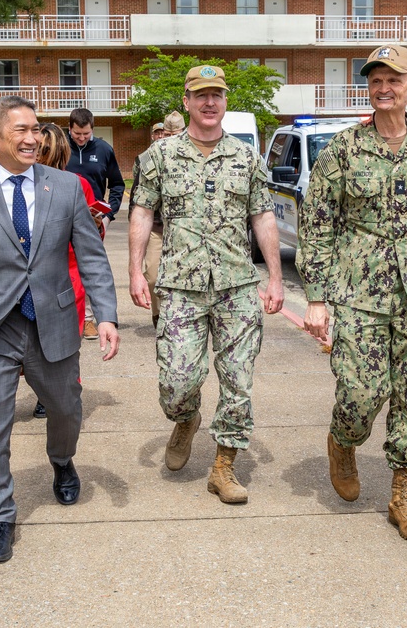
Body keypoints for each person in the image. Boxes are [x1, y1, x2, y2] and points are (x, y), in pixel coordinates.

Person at [296, 43, 407, 543]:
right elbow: (317, 224)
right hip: (359, 292)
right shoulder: (343, 150)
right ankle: (343, 440)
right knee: (361, 392)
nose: (384, 88)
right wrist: (316, 297)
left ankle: (402, 494)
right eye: (376, 80)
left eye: (393, 80)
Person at [0, 96, 119, 564]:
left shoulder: (66, 187)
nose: (31, 138)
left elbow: (93, 258)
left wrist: (107, 316)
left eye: (35, 129)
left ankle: (61, 461)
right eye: (19, 130)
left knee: (66, 409)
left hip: (53, 323)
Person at [129, 65, 284, 505]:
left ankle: (224, 467)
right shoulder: (158, 158)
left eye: (217, 94)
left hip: (236, 286)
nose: (209, 102)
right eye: (201, 95)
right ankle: (186, 419)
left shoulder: (247, 158)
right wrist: (137, 271)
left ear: (225, 101)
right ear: (186, 101)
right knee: (177, 383)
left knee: (238, 382)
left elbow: (263, 217)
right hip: (180, 285)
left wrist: (274, 277)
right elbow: (141, 213)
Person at [30, 122, 106, 419]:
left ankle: (61, 394)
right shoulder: (21, 184)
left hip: (69, 272)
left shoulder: (76, 184)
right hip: (37, 273)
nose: (39, 155)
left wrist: (95, 222)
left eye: (45, 150)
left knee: (66, 340)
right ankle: (46, 392)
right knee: (35, 337)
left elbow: (91, 242)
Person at [66, 107, 126, 340]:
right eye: (77, 134)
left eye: (86, 134)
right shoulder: (61, 147)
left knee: (89, 264)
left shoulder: (103, 149)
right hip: (64, 214)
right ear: (70, 129)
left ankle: (89, 319)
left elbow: (118, 184)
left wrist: (109, 213)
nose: (81, 138)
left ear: (93, 129)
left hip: (95, 217)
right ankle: (72, 315)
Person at [127, 119, 173, 327]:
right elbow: (137, 193)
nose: (163, 137)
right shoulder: (147, 158)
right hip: (155, 226)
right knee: (153, 276)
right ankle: (157, 313)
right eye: (160, 133)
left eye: (169, 133)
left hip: (180, 229)